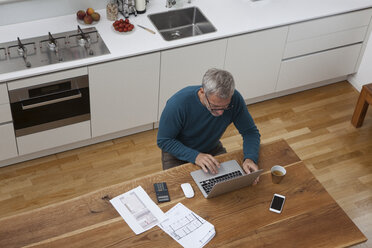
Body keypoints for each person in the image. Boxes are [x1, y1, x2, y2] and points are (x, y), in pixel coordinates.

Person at [157, 68, 261, 183]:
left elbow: (250, 132)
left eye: (226, 106)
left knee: (230, 185)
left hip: (211, 149)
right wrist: (195, 156)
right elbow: (164, 140)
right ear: (202, 92)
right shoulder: (177, 104)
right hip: (177, 153)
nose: (221, 112)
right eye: (215, 106)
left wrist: (250, 158)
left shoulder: (235, 99)